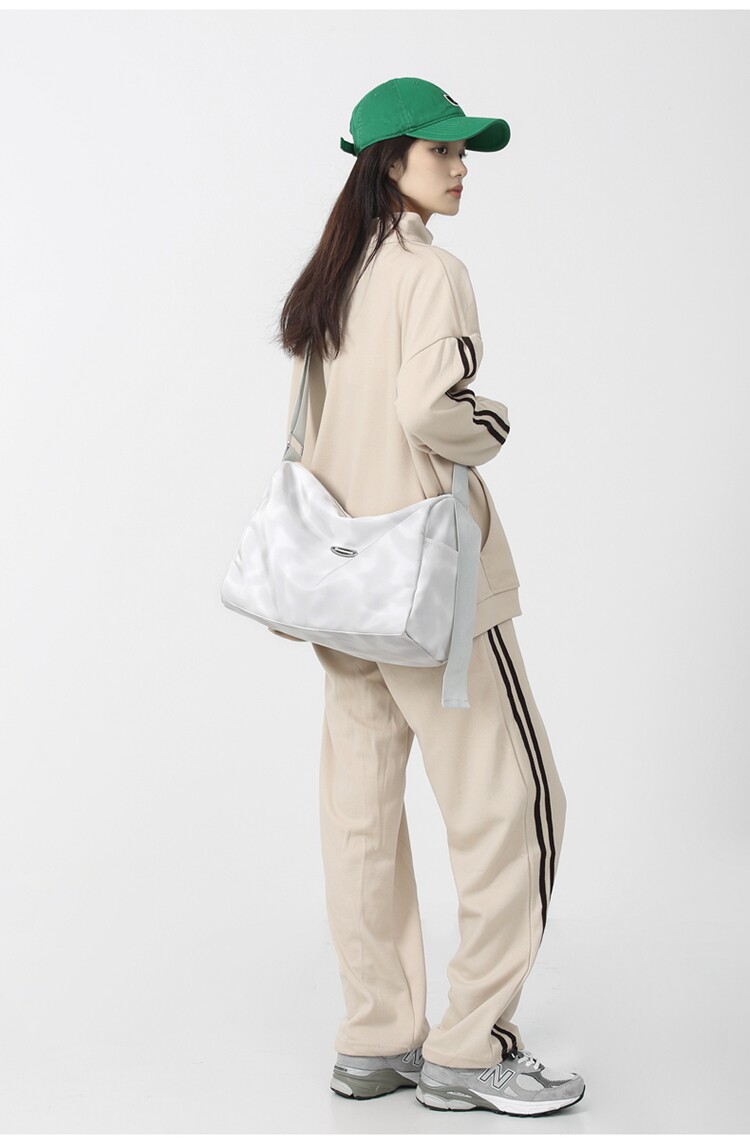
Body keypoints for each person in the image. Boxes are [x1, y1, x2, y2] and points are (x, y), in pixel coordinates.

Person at [272, 77, 585, 1119]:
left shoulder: (333, 278)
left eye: (462, 153)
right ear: (387, 162)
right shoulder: (430, 273)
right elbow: (430, 411)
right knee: (515, 805)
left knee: (360, 815)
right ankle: (468, 1046)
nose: (460, 168)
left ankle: (376, 1038)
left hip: (341, 581)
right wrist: (492, 421)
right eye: (441, 150)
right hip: (429, 585)